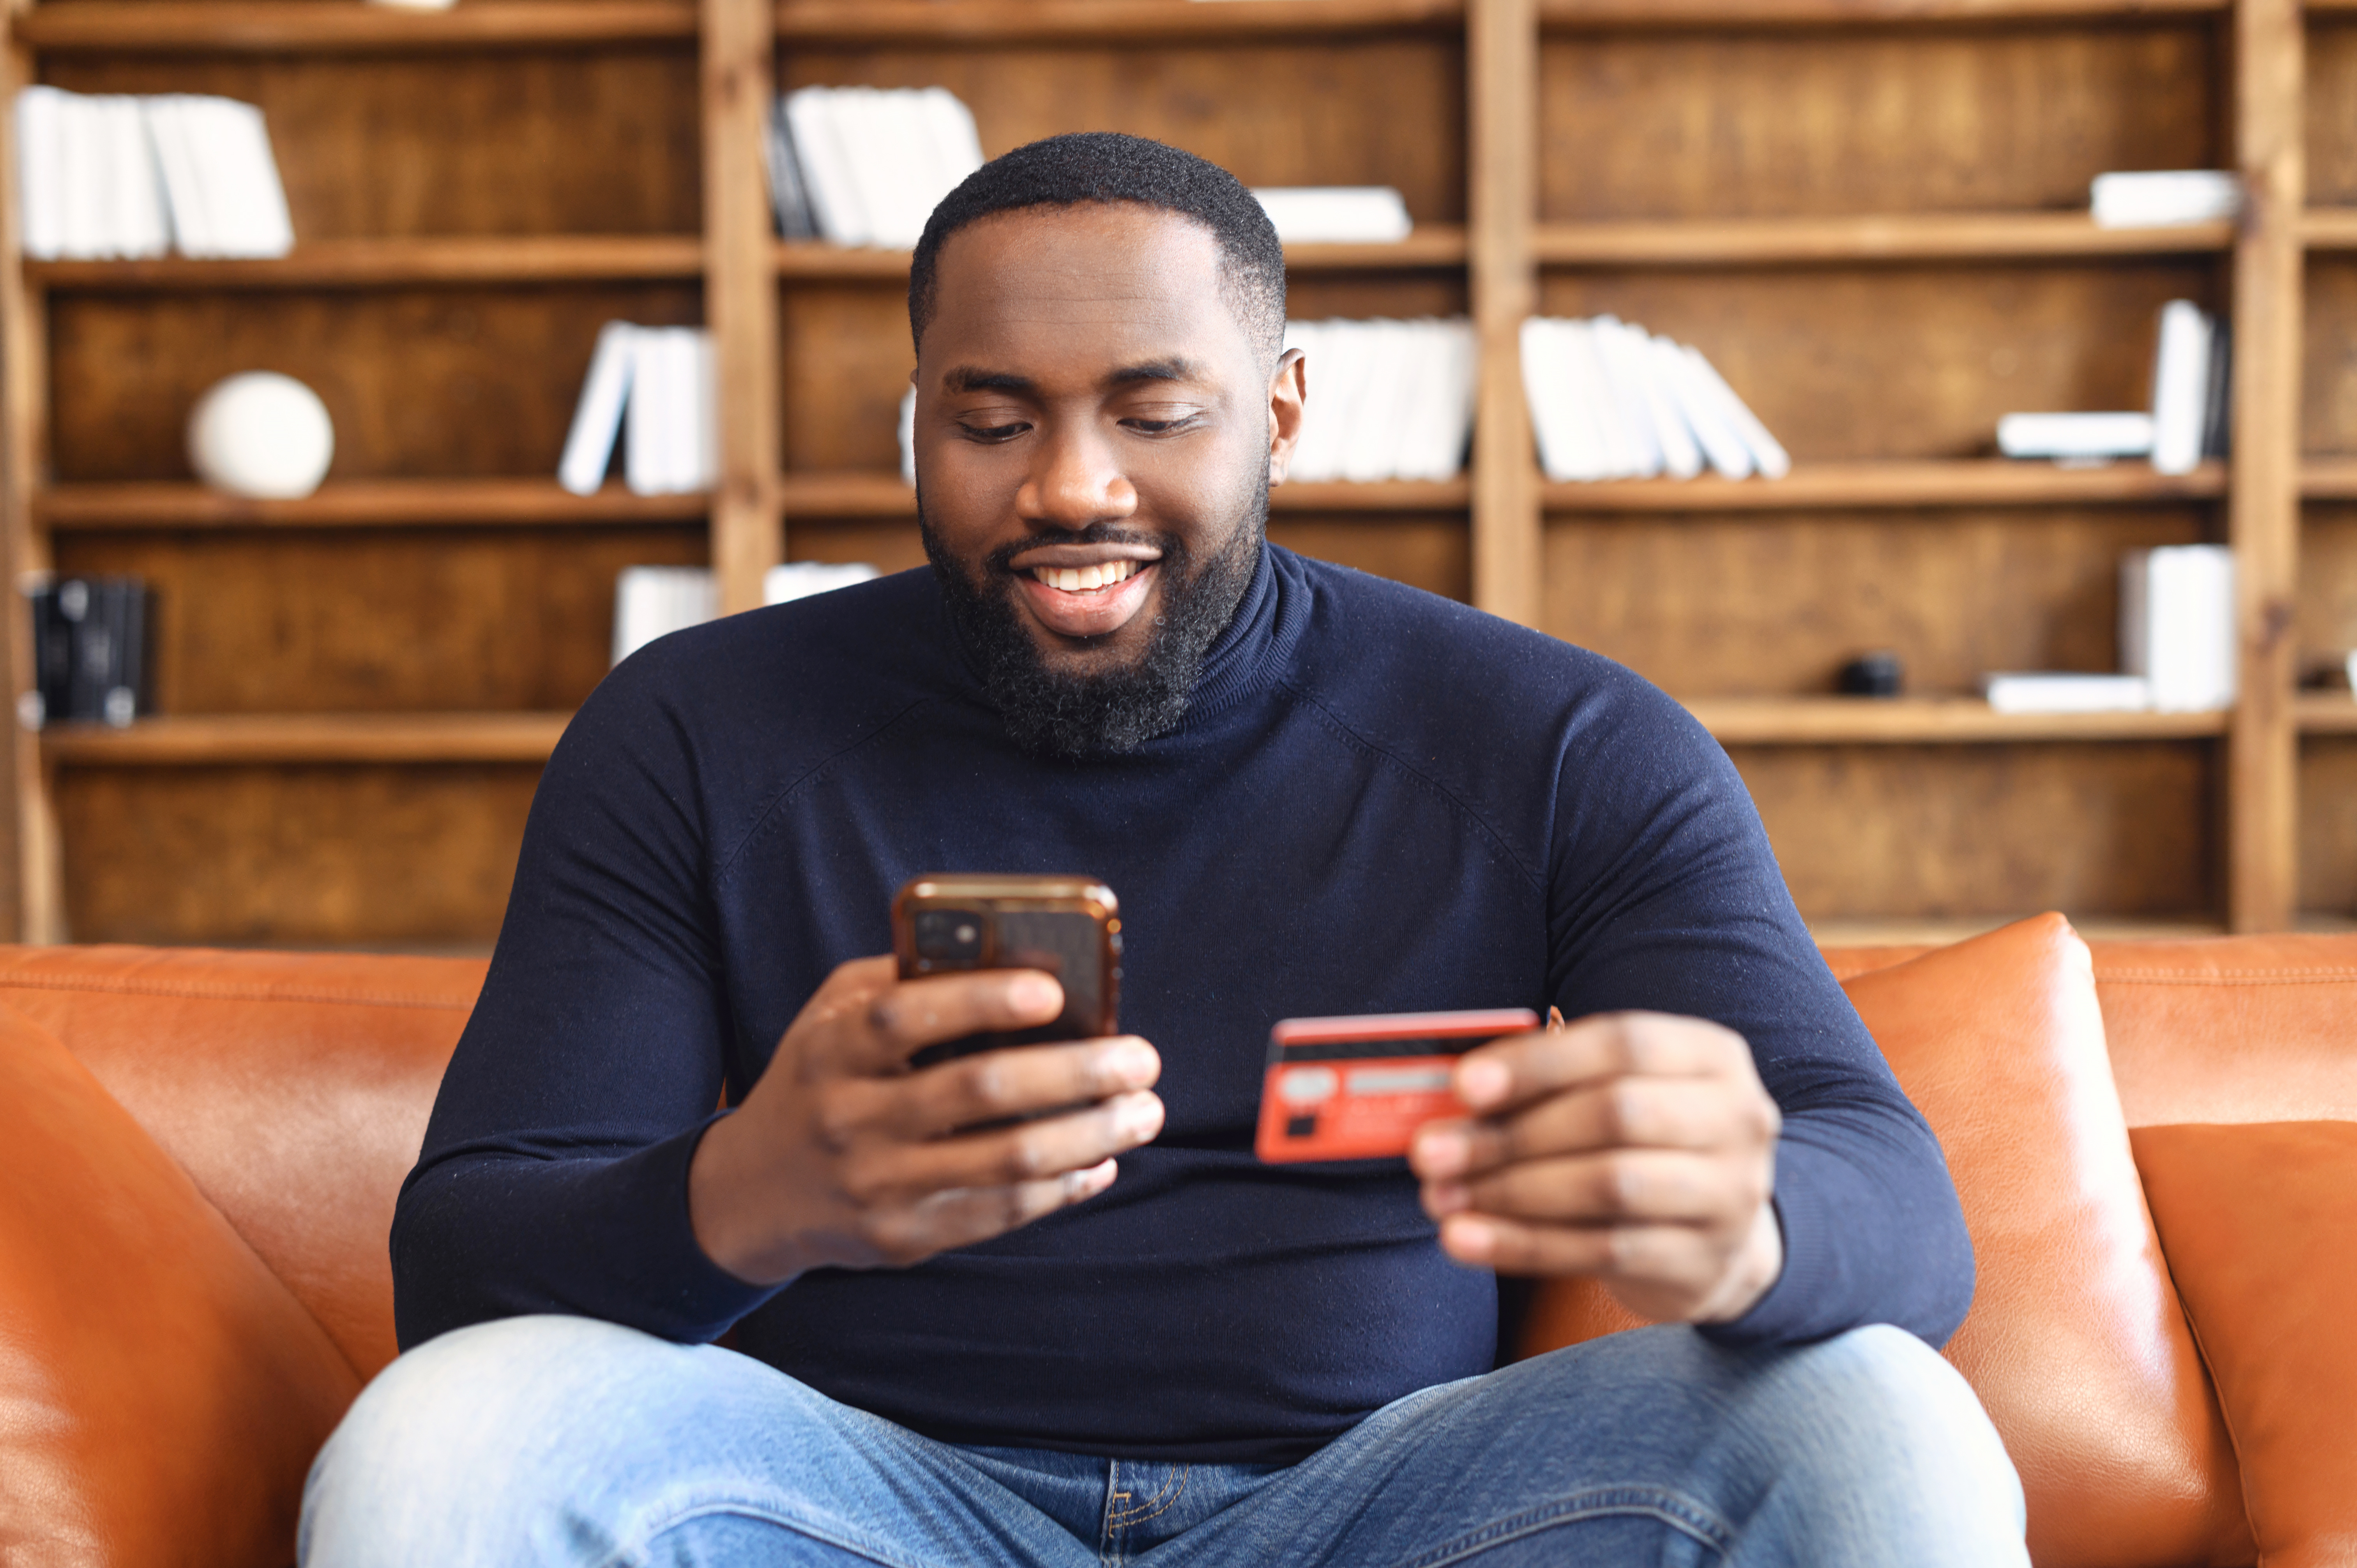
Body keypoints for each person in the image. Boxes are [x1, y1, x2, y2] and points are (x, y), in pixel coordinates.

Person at [301, 132, 2026, 1566]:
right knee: (443, 1444)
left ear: (1278, 410)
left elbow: (1906, 1211)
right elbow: (462, 1269)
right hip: (852, 1501)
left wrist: (1751, 1222)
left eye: (1154, 410)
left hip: (1390, 1507)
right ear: (914, 420)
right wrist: (746, 1195)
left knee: (1876, 1413)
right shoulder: (688, 731)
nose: (1072, 485)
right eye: (992, 419)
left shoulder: (1558, 740)